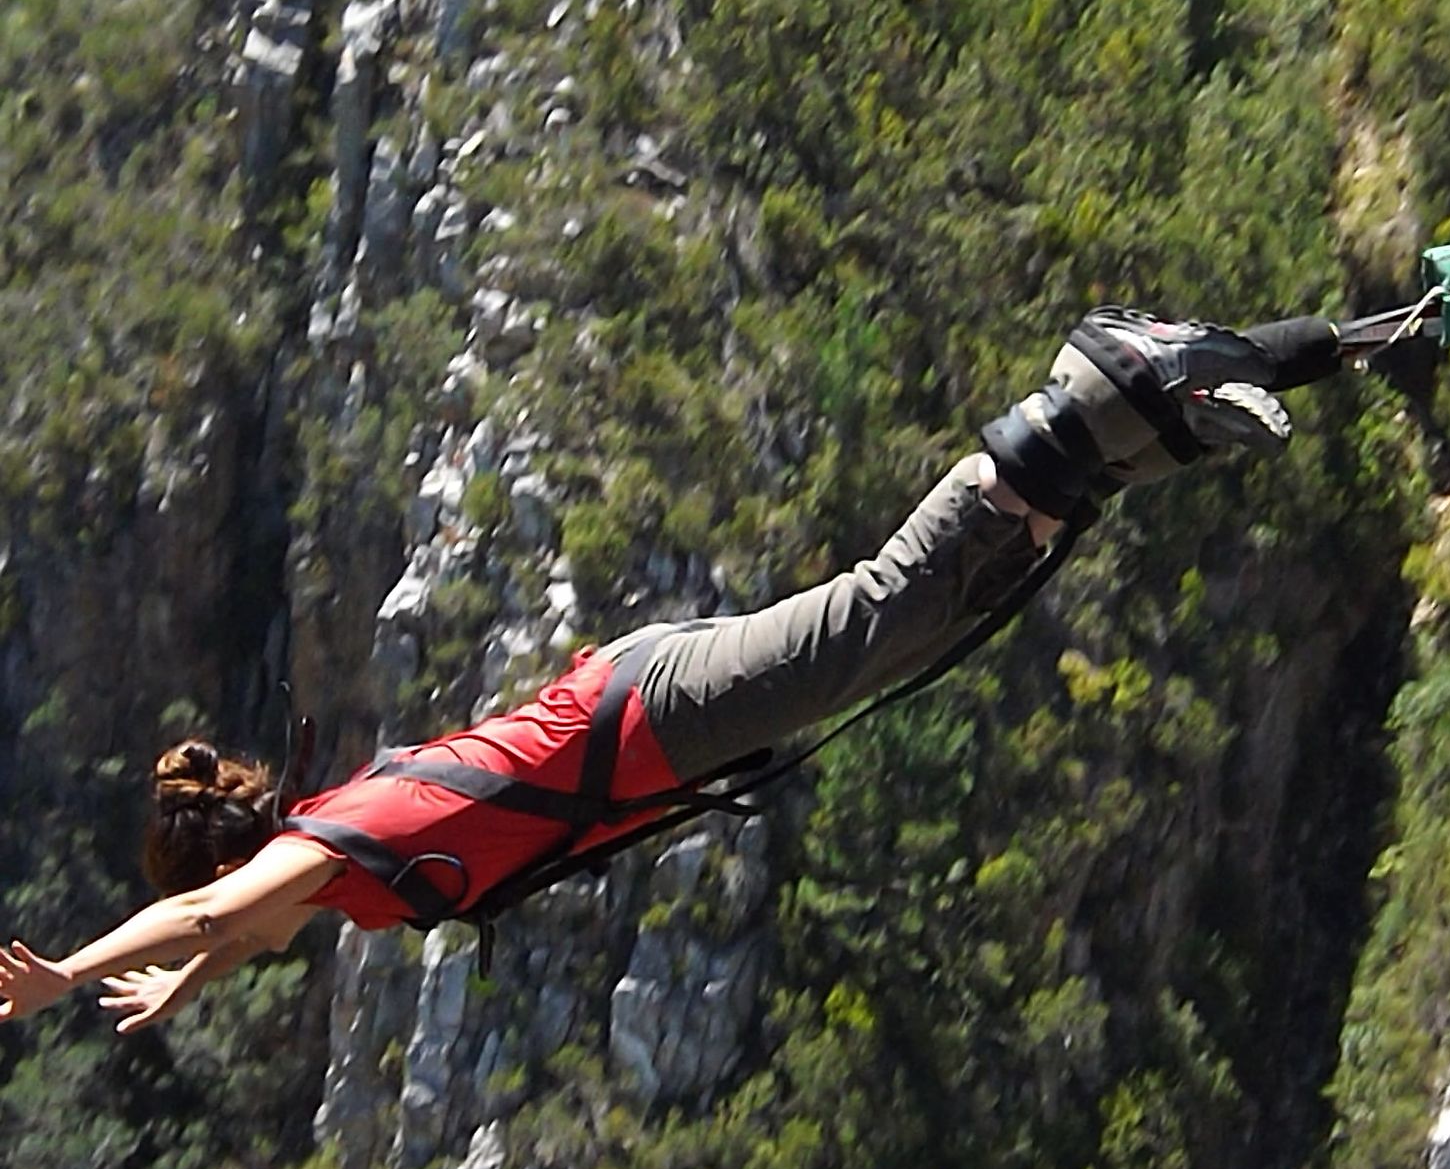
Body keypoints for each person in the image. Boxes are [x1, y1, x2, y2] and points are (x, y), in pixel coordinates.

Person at [0, 307, 1335, 1032]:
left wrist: (71, 968)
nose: (245, 944)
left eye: (231, 929)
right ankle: (1114, 430)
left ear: (237, 880)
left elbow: (213, 913)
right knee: (911, 637)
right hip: (655, 719)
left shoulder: (333, 846)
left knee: (878, 615)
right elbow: (223, 928)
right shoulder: (323, 880)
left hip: (651, 714)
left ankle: (1089, 385)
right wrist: (186, 977)